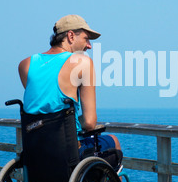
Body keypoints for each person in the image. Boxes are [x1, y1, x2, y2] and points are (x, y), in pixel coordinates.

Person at [18, 14, 121, 160]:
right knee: (113, 141)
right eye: (86, 39)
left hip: (36, 152)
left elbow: (43, 106)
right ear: (71, 36)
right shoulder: (82, 63)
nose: (89, 46)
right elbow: (90, 123)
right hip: (67, 152)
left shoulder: (25, 64)